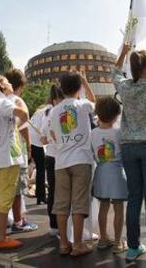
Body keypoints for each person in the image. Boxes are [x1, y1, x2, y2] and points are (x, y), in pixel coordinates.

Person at [112, 44, 146, 263]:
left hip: (128, 146)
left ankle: (133, 248)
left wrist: (123, 52)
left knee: (134, 197)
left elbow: (114, 73)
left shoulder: (125, 88)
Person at [50, 71, 96, 256]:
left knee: (61, 204)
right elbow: (96, 102)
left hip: (61, 162)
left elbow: (53, 133)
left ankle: (63, 244)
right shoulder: (83, 104)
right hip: (81, 160)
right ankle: (77, 244)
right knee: (79, 203)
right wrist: (85, 81)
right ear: (79, 88)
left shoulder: (54, 110)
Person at [0, 75, 28, 249]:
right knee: (5, 197)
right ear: (2, 86)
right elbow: (24, 114)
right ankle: (1, 238)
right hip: (8, 156)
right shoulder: (4, 102)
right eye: (7, 82)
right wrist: (14, 100)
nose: (10, 83)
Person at [91, 96, 128, 254]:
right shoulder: (119, 132)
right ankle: (118, 242)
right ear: (116, 115)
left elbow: (93, 153)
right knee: (119, 208)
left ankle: (103, 238)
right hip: (117, 172)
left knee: (103, 207)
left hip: (101, 172)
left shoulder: (93, 133)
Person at [5, 69, 38, 233]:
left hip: (0, 152)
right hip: (16, 150)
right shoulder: (17, 100)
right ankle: (19, 221)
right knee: (18, 188)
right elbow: (24, 127)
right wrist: (29, 147)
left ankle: (10, 219)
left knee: (5, 189)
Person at [40, 85, 65, 236]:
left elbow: (42, 139)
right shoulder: (60, 111)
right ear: (57, 99)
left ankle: (54, 225)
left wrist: (48, 137)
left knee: (53, 193)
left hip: (50, 156)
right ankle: (65, 228)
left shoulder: (46, 113)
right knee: (63, 194)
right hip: (61, 157)